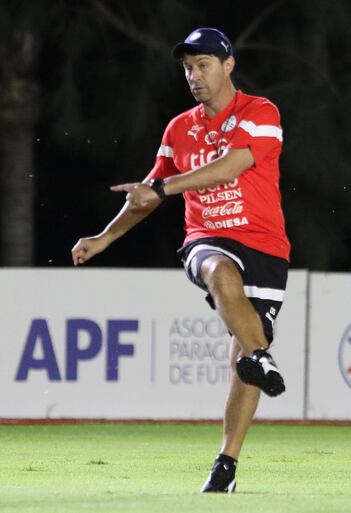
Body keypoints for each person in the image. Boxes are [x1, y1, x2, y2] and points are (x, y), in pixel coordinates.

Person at [70, 27, 290, 494]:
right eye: (188, 68)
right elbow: (148, 194)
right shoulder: (179, 127)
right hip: (206, 237)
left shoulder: (261, 111)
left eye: (203, 65)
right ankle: (260, 357)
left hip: (267, 248)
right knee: (217, 270)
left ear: (228, 65)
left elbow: (232, 165)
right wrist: (105, 238)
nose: (194, 75)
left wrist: (163, 188)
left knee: (243, 361)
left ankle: (226, 465)